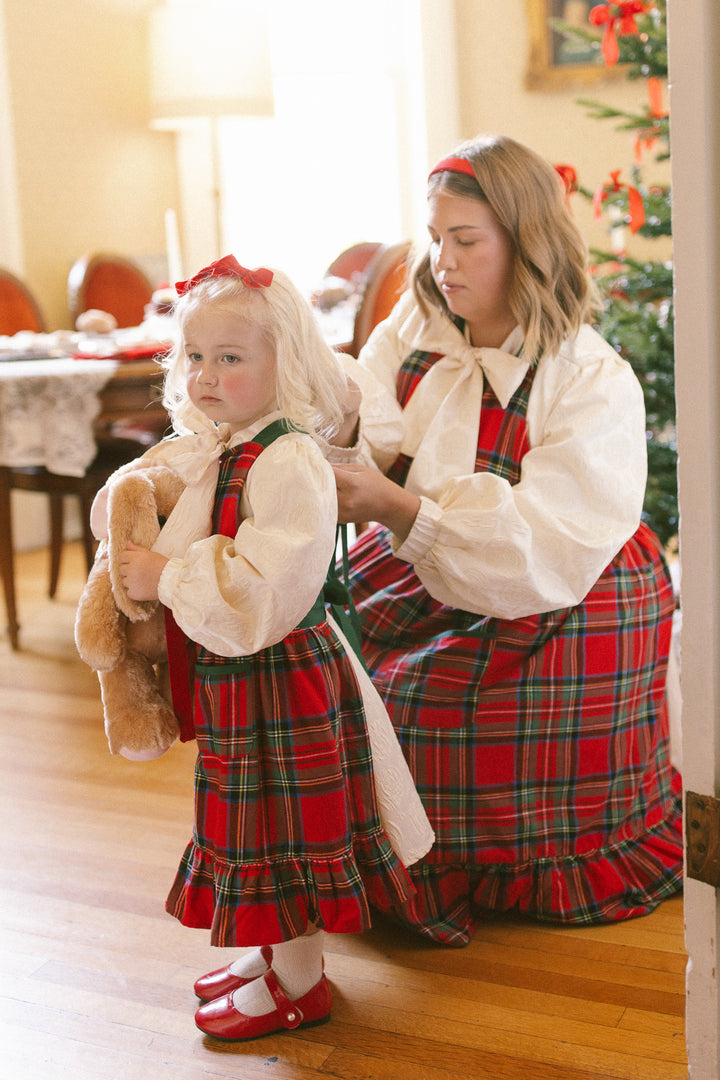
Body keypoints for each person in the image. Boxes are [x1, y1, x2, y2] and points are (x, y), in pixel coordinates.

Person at [329, 134, 683, 948]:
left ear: (522, 241)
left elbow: (548, 545)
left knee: (416, 707)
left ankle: (484, 864)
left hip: (564, 585)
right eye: (435, 237)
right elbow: (363, 408)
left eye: (466, 240)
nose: (442, 261)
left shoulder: (587, 377)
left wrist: (396, 506)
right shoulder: (422, 326)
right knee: (337, 673)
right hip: (432, 551)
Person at [99, 254, 433, 1039]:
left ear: (284, 363)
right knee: (250, 821)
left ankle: (301, 982)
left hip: (281, 673)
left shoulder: (288, 458)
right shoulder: (227, 442)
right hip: (239, 675)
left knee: (290, 830)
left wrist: (166, 575)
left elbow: (264, 587)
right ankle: (273, 955)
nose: (207, 374)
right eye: (196, 357)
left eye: (231, 358)